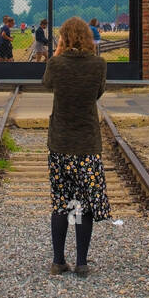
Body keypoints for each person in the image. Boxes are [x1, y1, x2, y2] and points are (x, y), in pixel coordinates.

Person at [42, 16, 110, 277]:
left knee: (61, 202)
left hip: (60, 143)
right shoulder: (98, 65)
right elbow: (97, 94)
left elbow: (47, 84)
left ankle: (58, 261)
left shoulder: (56, 65)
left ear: (64, 39)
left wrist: (57, 55)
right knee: (84, 204)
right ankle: (81, 262)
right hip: (87, 146)